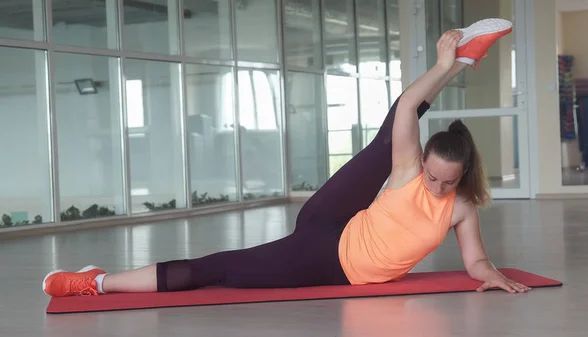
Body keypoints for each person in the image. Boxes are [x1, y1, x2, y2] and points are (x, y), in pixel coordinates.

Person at [43, 18, 531, 298]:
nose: (438, 188)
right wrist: (446, 66)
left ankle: (98, 279)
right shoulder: (409, 170)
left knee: (223, 272)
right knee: (388, 140)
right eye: (433, 177)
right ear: (424, 163)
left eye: (448, 183)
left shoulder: (462, 208)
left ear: (465, 177)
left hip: (331, 267)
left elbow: (477, 261)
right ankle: (96, 283)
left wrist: (495, 277)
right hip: (330, 225)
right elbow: (405, 108)